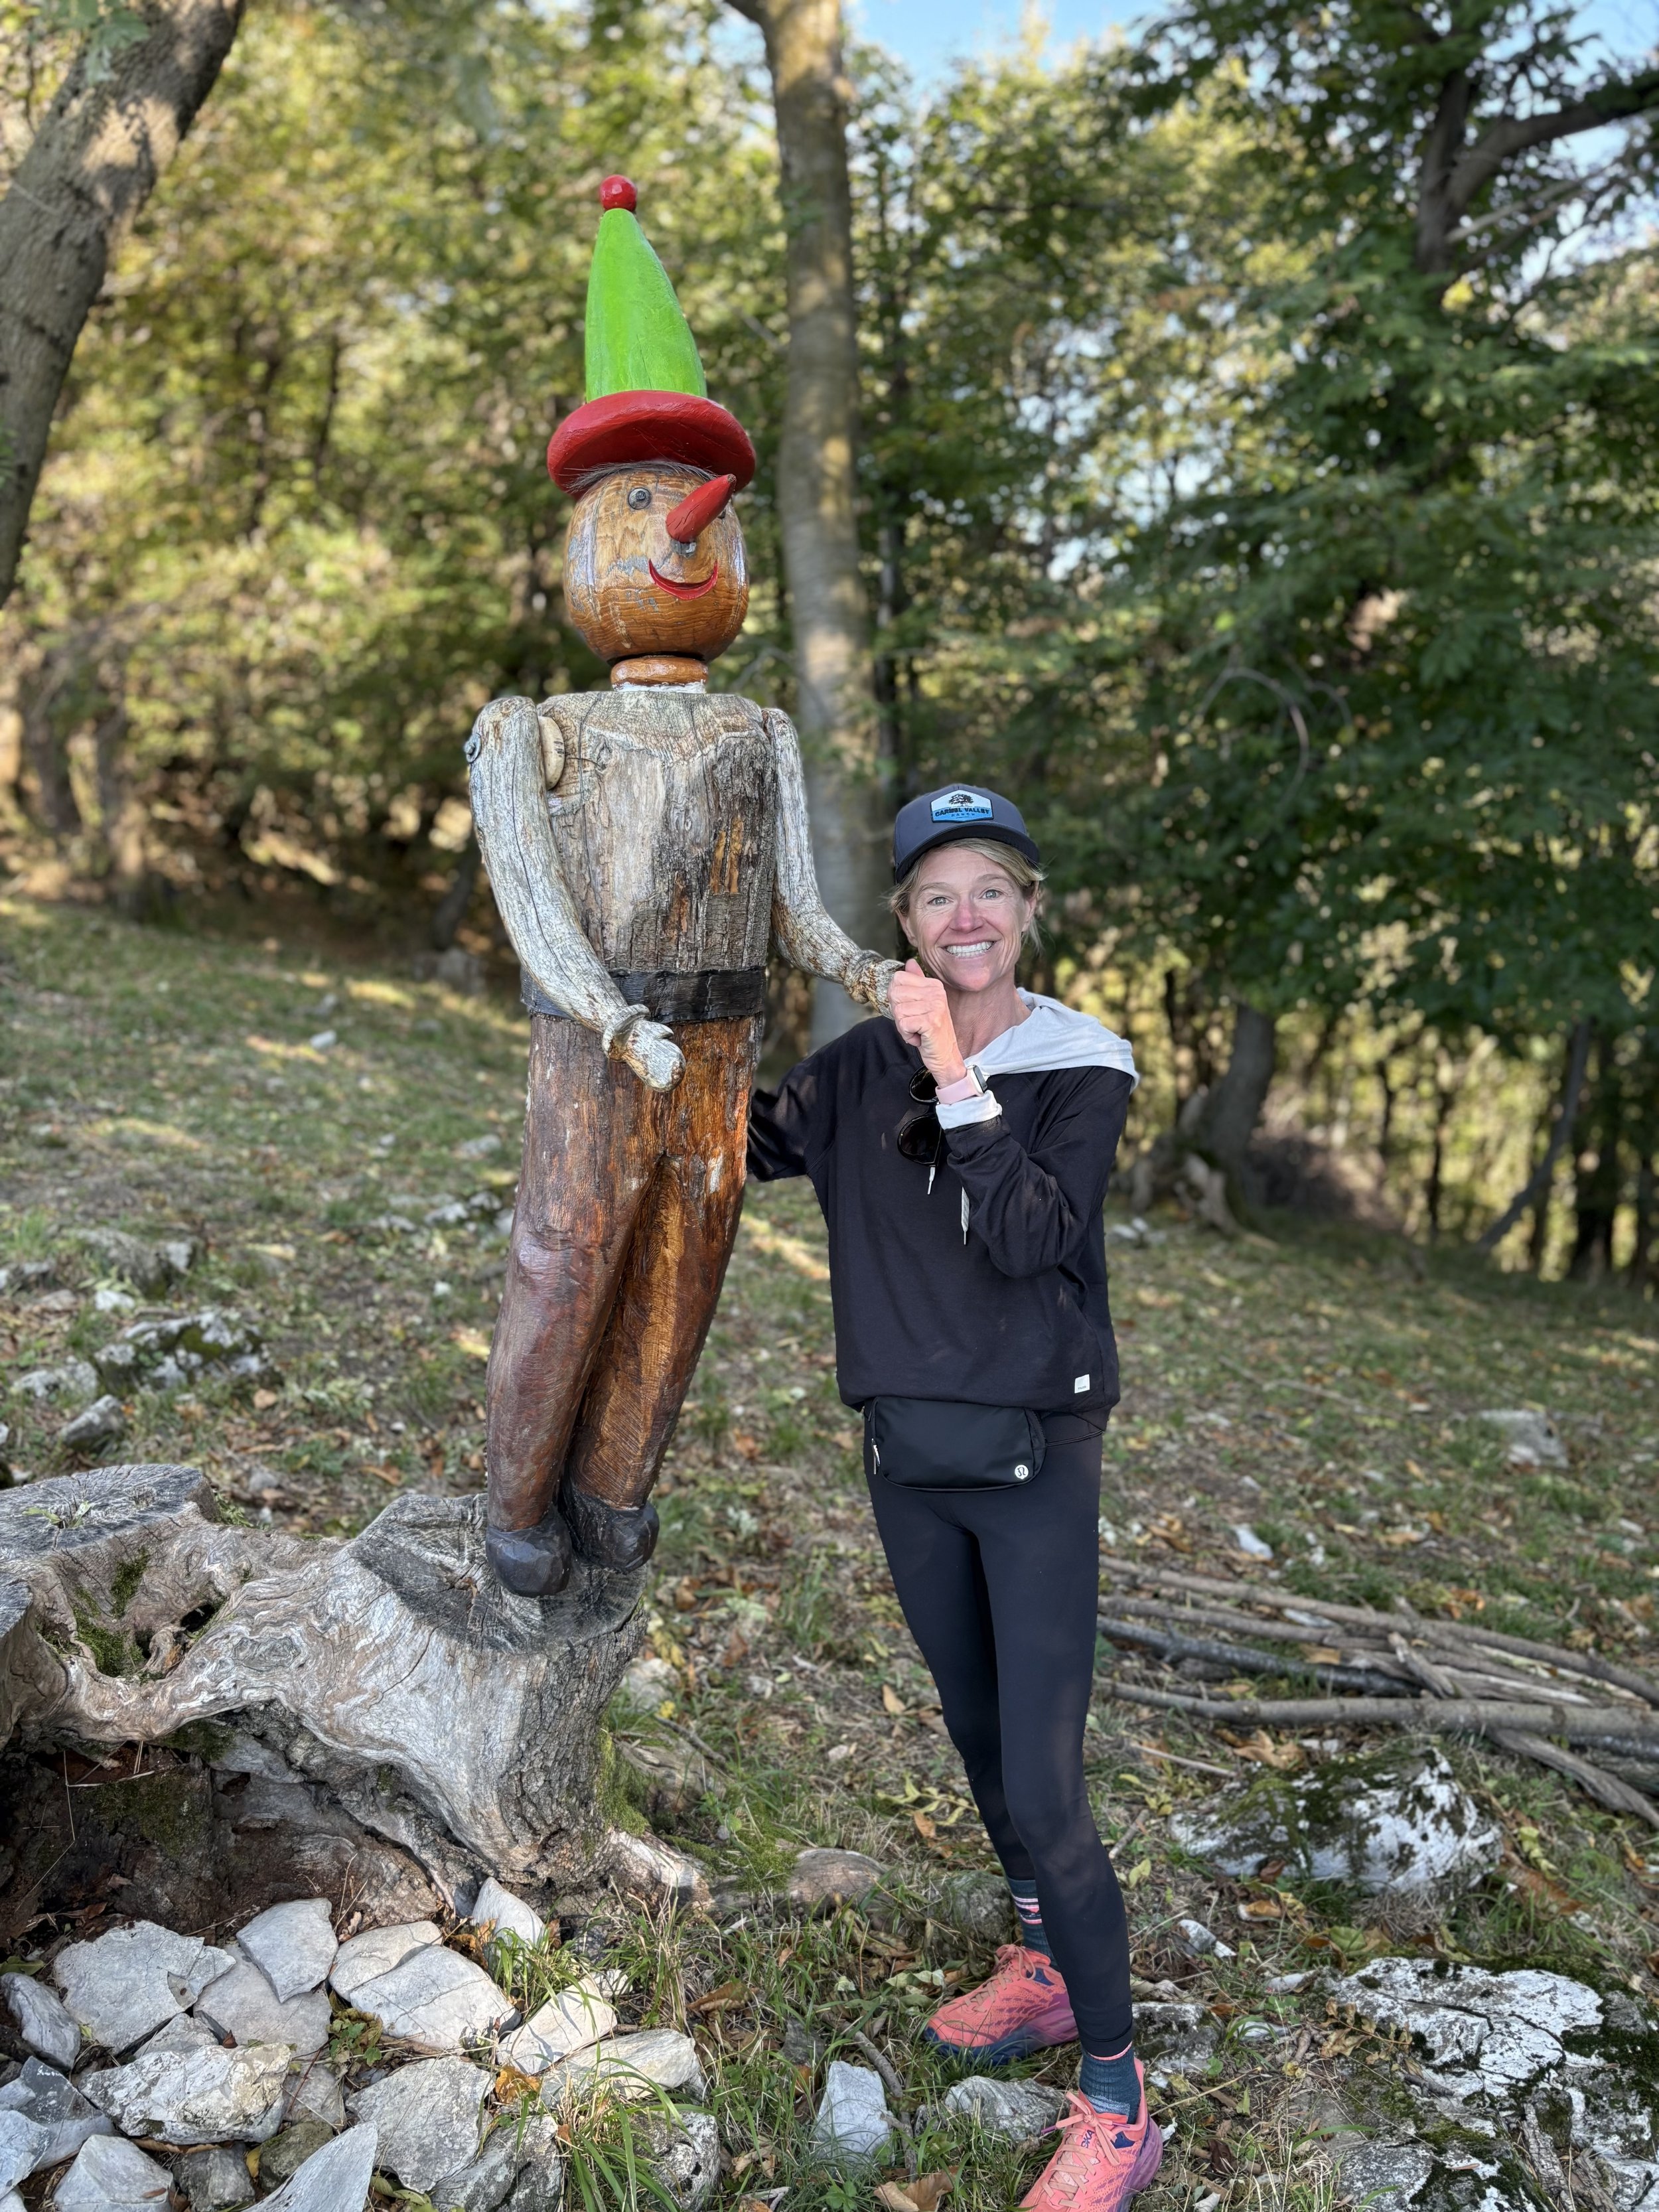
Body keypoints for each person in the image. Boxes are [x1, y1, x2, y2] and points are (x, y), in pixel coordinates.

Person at [748, 783, 1158, 2212]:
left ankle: (1118, 2099)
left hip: (1033, 1449)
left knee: (1046, 1783)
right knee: (977, 1736)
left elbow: (1034, 1233)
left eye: (990, 887)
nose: (964, 915)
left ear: (1028, 908)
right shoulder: (857, 1064)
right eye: (936, 894)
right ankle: (1043, 1966)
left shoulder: (1080, 1064)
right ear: (905, 925)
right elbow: (735, 1142)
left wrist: (952, 1070)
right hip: (907, 1450)